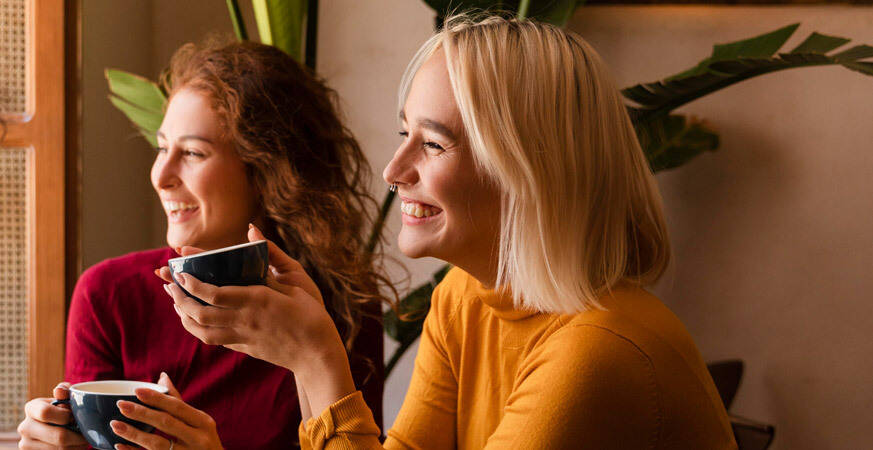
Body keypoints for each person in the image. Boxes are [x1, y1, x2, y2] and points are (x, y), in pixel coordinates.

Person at [121, 15, 737, 449]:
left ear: (528, 169)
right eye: (403, 134)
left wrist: (316, 361)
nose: (394, 171)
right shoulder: (464, 298)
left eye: (434, 143)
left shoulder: (597, 354)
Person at [16, 40, 391, 449]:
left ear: (268, 171)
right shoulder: (108, 295)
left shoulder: (340, 307)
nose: (161, 175)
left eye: (193, 152)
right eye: (163, 148)